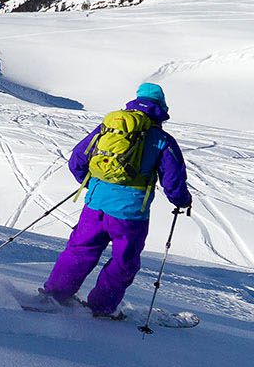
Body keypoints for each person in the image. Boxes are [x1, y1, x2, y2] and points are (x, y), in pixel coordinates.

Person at [39, 82, 192, 319]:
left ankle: (55, 295)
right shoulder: (162, 140)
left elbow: (77, 161)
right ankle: (100, 308)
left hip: (95, 206)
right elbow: (173, 182)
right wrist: (181, 201)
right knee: (124, 262)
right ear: (160, 107)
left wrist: (94, 185)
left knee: (79, 250)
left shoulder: (108, 128)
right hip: (130, 215)